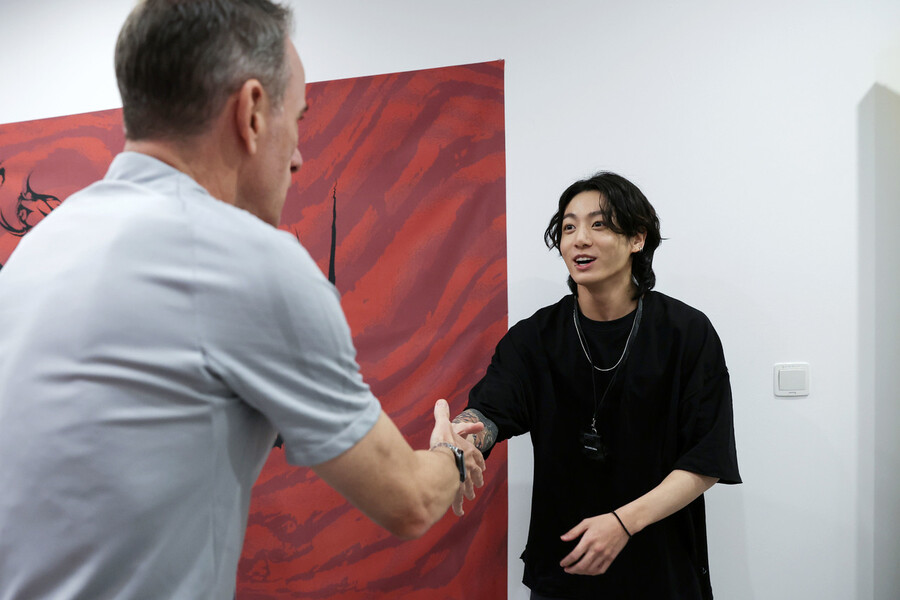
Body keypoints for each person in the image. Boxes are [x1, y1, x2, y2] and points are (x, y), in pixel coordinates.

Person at [0, 1, 484, 598]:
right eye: (298, 119)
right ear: (252, 111)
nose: (299, 154)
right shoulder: (247, 258)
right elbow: (407, 500)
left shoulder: (41, 248)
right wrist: (451, 457)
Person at [453, 172, 741, 599]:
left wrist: (622, 522)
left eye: (598, 225)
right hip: (566, 571)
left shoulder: (686, 333)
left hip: (662, 571)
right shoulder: (535, 338)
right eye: (569, 227)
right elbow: (491, 411)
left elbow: (705, 460)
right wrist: (463, 435)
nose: (579, 239)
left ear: (637, 238)